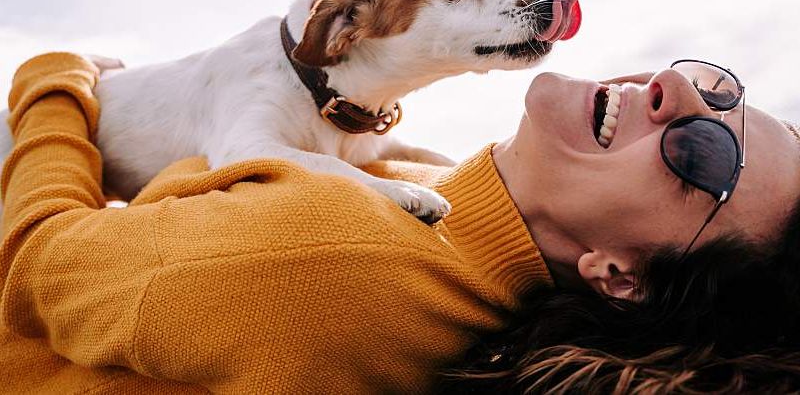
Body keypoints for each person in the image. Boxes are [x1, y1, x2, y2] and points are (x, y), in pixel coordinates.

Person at [0, 53, 797, 393]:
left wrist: (55, 84)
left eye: (698, 156)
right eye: (718, 91)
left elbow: (34, 261)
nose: (675, 94)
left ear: (618, 274)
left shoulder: (330, 261)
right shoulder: (445, 205)